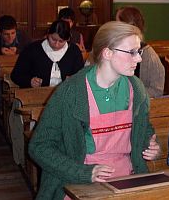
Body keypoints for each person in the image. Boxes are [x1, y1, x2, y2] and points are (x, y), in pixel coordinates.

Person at [28, 21, 161, 199]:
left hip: (127, 177)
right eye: (132, 52)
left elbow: (144, 129)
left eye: (139, 51)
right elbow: (39, 147)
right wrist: (83, 172)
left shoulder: (136, 88)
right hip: (78, 182)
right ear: (107, 52)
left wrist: (149, 144)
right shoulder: (71, 92)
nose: (139, 58)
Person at [0, 15, 31, 137]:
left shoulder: (23, 37)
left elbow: (32, 51)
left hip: (17, 68)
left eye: (13, 33)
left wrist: (17, 52)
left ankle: (21, 122)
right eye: (6, 34)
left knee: (26, 86)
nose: (10, 37)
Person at [11, 20, 84, 88]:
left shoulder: (74, 51)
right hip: (36, 96)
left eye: (61, 41)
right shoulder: (32, 49)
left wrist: (74, 80)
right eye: (53, 39)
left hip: (65, 94)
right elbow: (16, 75)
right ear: (48, 34)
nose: (56, 44)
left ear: (68, 39)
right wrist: (30, 81)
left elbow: (81, 76)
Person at [115, 6, 165, 97]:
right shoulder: (117, 49)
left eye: (117, 24)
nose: (114, 28)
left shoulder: (149, 55)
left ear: (127, 27)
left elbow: (157, 91)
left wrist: (128, 94)